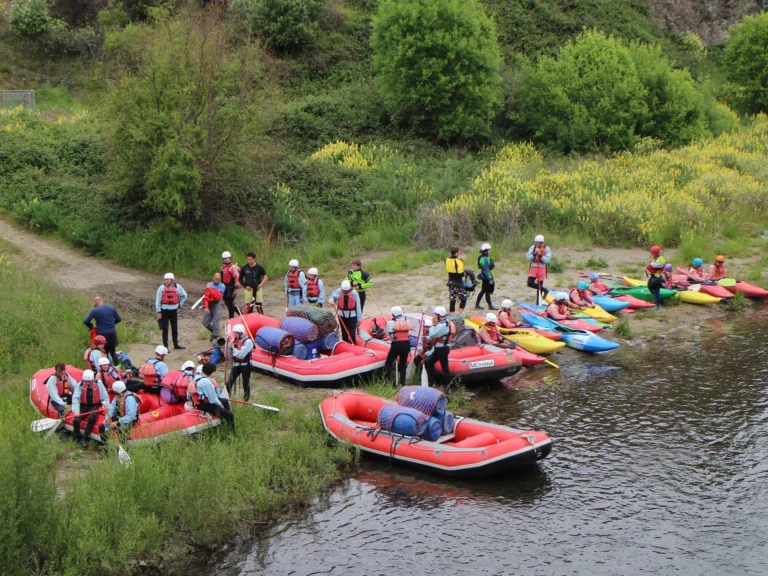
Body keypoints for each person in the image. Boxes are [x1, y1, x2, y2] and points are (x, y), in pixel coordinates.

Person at [190, 362, 235, 430]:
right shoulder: (206, 382)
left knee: (225, 401)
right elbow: (212, 399)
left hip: (200, 401)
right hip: (205, 405)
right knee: (231, 415)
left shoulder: (197, 377)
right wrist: (220, 405)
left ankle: (224, 418)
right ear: (211, 372)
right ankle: (231, 431)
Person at [71, 369, 110, 448]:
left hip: (94, 406)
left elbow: (105, 397)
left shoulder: (99, 384)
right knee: (76, 420)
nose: (87, 383)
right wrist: (76, 410)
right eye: (86, 381)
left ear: (93, 379)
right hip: (83, 405)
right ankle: (76, 436)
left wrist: (103, 404)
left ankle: (84, 439)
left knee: (92, 418)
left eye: (89, 381)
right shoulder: (80, 385)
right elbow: (75, 398)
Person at [83, 297, 121, 365]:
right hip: (112, 333)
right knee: (112, 351)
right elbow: (119, 319)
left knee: (103, 352)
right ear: (102, 301)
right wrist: (112, 323)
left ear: (95, 303)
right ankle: (117, 367)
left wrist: (91, 326)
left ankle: (105, 367)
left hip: (102, 334)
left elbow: (86, 321)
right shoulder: (111, 307)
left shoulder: (94, 311)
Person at [156, 273, 187, 349]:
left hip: (173, 310)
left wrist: (179, 304)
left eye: (168, 279)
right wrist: (159, 312)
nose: (166, 281)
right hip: (164, 310)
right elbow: (158, 300)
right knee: (165, 329)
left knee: (174, 327)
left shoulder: (177, 287)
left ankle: (176, 344)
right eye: (165, 279)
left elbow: (184, 295)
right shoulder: (161, 288)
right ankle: (165, 347)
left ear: (172, 280)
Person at [424, 306, 452, 387]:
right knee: (429, 361)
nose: (434, 316)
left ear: (438, 315)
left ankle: (447, 387)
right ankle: (432, 382)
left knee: (445, 368)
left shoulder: (442, 325)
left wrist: (433, 324)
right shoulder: (442, 323)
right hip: (438, 347)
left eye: (435, 315)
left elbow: (433, 334)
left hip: (442, 349)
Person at [384, 306, 411, 385]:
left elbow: (387, 334)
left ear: (393, 314)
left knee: (388, 363)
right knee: (403, 364)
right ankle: (402, 383)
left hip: (396, 345)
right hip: (406, 345)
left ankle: (387, 382)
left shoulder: (390, 323)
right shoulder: (407, 322)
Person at [329, 280, 361, 345]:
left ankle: (353, 344)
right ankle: (346, 344)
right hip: (341, 315)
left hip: (352, 315)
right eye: (344, 290)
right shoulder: (339, 291)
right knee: (344, 332)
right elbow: (332, 297)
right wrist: (331, 301)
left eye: (346, 291)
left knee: (352, 333)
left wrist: (359, 319)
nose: (345, 292)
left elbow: (358, 306)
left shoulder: (354, 293)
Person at [227, 325, 254, 401]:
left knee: (245, 383)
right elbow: (230, 352)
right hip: (236, 364)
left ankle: (246, 399)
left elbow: (241, 355)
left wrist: (233, 347)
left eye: (235, 333)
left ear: (240, 333)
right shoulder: (235, 340)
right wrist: (230, 346)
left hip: (245, 365)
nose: (234, 335)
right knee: (229, 382)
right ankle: (225, 399)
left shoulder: (248, 342)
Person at [526, 235, 551, 301]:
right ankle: (544, 290)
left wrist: (540, 254)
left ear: (541, 242)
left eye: (538, 242)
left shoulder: (547, 248)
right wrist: (534, 254)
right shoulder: (532, 247)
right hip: (534, 267)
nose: (536, 243)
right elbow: (528, 258)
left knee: (540, 285)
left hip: (542, 268)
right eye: (536, 242)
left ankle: (538, 301)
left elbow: (547, 260)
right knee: (530, 283)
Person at [202, 272, 225, 344]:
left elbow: (217, 297)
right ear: (213, 278)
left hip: (217, 304)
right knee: (205, 322)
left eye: (219, 279)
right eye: (216, 279)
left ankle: (216, 337)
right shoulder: (209, 284)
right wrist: (206, 307)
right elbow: (206, 297)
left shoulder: (222, 286)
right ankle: (215, 332)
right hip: (209, 304)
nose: (217, 281)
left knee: (216, 321)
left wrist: (210, 289)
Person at [445, 247, 469, 313]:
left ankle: (452, 314)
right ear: (456, 253)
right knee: (464, 297)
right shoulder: (458, 262)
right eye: (459, 252)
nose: (459, 253)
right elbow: (461, 274)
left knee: (452, 299)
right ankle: (459, 314)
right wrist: (462, 265)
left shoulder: (446, 260)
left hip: (450, 282)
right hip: (458, 283)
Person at [475, 243, 496, 310]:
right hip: (486, 277)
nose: (490, 250)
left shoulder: (480, 258)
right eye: (489, 249)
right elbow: (487, 270)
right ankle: (490, 305)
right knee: (487, 291)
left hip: (484, 276)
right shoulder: (485, 258)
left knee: (483, 290)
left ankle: (477, 304)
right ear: (486, 250)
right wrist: (490, 278)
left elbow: (482, 268)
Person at [220, 251, 241, 319]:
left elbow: (237, 277)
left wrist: (236, 288)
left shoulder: (233, 267)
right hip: (224, 286)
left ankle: (231, 317)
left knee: (229, 301)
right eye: (225, 258)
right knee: (226, 302)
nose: (226, 259)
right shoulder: (222, 267)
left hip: (231, 286)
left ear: (230, 258)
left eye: (227, 258)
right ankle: (240, 313)